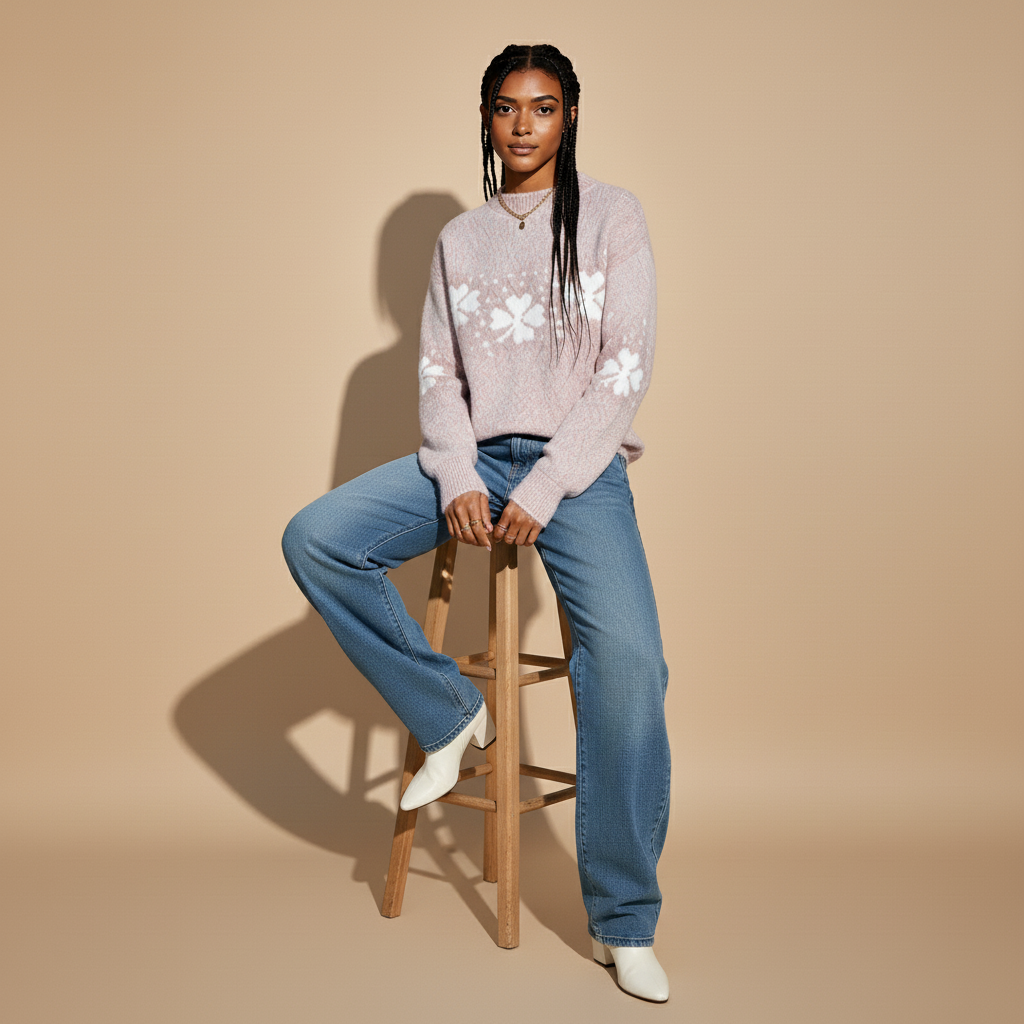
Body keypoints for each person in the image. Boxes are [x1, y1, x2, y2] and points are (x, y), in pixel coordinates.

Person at [282, 43, 671, 1002]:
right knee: (316, 537)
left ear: (569, 117)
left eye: (543, 107)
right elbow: (438, 375)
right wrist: (456, 470)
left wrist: (543, 488)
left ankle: (623, 919)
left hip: (573, 474)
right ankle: (453, 711)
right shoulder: (460, 239)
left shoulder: (614, 217)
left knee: (629, 666)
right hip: (471, 461)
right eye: (507, 108)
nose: (524, 123)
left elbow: (626, 363)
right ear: (489, 120)